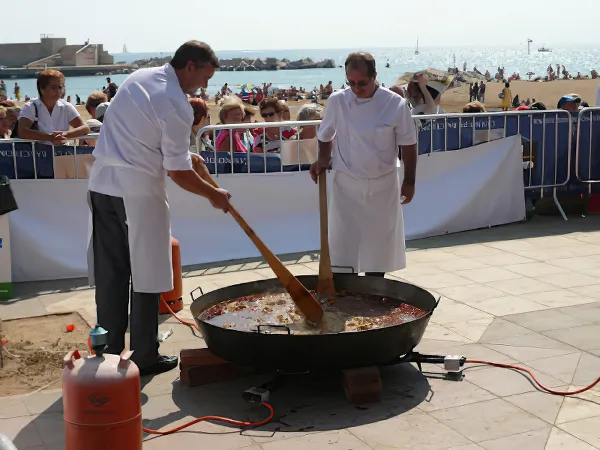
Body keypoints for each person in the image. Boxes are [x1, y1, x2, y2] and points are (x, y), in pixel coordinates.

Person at [87, 41, 231, 376]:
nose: (204, 86)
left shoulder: (139, 77)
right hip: (137, 192)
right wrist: (213, 194)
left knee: (112, 272)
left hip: (102, 183)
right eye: (204, 77)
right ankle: (143, 355)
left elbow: (144, 135)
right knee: (148, 273)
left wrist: (185, 158)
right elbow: (178, 172)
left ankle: (107, 349)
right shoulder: (177, 105)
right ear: (190, 66)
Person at [309, 52, 417, 277]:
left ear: (375, 76)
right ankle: (344, 295)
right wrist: (322, 158)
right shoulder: (337, 101)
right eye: (351, 83)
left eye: (362, 83)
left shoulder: (395, 103)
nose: (357, 88)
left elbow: (408, 144)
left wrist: (409, 180)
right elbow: (325, 134)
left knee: (379, 245)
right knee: (343, 243)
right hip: (346, 183)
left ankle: (374, 291)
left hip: (383, 184)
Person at [18, 70, 90, 145]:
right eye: (53, 87)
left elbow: (85, 128)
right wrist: (50, 138)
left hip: (61, 153)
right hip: (38, 154)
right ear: (42, 89)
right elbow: (22, 131)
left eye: (60, 87)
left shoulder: (66, 107)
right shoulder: (30, 106)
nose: (58, 91)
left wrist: (65, 134)